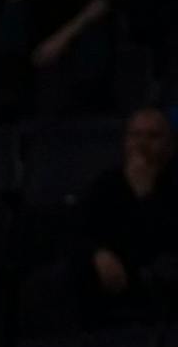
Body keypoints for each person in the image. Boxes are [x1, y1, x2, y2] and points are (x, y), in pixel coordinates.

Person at [69, 109, 178, 325]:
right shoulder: (108, 181)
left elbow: (165, 237)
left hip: (157, 267)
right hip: (109, 266)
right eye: (135, 135)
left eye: (153, 136)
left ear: (170, 145)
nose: (142, 144)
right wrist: (97, 254)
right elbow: (80, 227)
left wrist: (145, 195)